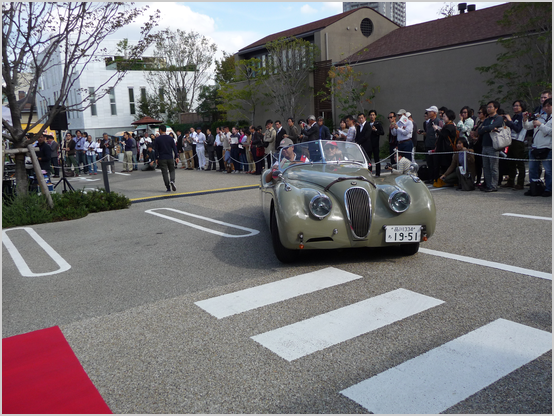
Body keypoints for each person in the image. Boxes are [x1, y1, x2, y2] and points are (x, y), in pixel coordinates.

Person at [524, 98, 552, 197]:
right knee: (532, 169)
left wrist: (541, 125)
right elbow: (528, 126)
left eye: (549, 106)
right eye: (545, 106)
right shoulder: (540, 117)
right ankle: (534, 188)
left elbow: (551, 132)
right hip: (535, 147)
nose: (546, 108)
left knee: (549, 171)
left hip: (548, 147)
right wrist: (525, 119)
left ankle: (549, 189)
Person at [477, 100, 504, 192]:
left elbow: (493, 126)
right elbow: (479, 131)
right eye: (488, 107)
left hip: (494, 145)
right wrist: (487, 128)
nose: (488, 109)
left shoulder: (499, 118)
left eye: (490, 107)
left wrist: (486, 128)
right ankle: (488, 184)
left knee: (494, 167)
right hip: (485, 145)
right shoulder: (487, 119)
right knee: (486, 166)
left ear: (496, 108)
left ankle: (494, 185)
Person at [503, 100, 527, 190]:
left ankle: (520, 183)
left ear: (522, 107)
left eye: (517, 106)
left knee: (519, 162)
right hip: (511, 140)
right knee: (511, 162)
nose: (515, 107)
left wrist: (509, 120)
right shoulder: (515, 116)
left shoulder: (523, 116)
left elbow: (517, 129)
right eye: (514, 106)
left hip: (519, 141)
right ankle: (511, 181)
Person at [154, 125, 179, 192]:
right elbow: (174, 148)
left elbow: (156, 150)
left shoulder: (157, 139)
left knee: (164, 173)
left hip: (162, 158)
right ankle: (172, 180)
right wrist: (176, 156)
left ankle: (168, 187)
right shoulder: (170, 138)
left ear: (160, 130)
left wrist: (156, 158)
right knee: (172, 170)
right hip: (170, 157)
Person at [469, 105, 487, 186]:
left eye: (480, 112)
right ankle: (478, 179)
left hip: (482, 144)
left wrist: (476, 136)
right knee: (477, 163)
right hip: (476, 144)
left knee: (484, 163)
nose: (478, 114)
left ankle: (485, 180)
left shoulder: (485, 122)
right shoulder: (478, 121)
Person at [423, 105, 441, 184]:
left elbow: (440, 134)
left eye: (430, 112)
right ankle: (430, 178)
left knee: (435, 163)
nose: (428, 113)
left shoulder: (439, 121)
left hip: (435, 144)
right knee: (429, 162)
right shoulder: (428, 122)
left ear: (434, 113)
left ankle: (435, 178)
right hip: (428, 144)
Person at [367, 110, 384, 177]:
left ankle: (378, 173)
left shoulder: (378, 123)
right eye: (371, 115)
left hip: (376, 144)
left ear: (375, 116)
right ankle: (369, 173)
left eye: (373, 115)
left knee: (377, 159)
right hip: (369, 144)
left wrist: (376, 130)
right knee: (369, 159)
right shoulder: (367, 124)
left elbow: (382, 132)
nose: (372, 116)